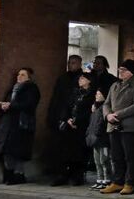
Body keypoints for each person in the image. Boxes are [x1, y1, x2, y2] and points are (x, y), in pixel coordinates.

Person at [100, 60, 134, 195]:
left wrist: (119, 114)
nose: (120, 72)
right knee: (116, 156)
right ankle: (117, 182)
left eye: (124, 70)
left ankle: (129, 183)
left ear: (131, 72)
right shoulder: (114, 85)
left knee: (130, 156)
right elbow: (106, 103)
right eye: (120, 69)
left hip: (130, 126)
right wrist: (108, 115)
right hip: (113, 125)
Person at [0, 67, 41, 185]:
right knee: (6, 149)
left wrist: (11, 105)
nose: (19, 77)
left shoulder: (32, 89)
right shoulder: (12, 89)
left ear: (28, 78)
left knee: (18, 150)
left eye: (22, 75)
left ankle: (18, 174)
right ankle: (9, 173)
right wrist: (4, 106)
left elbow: (29, 105)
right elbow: (9, 102)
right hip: (8, 122)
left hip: (22, 123)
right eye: (18, 74)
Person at [52, 69, 96, 187]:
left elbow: (90, 111)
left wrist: (79, 120)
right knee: (65, 151)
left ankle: (78, 175)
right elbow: (66, 107)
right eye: (79, 78)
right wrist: (67, 119)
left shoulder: (92, 95)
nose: (80, 80)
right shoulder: (74, 93)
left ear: (89, 81)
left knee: (80, 152)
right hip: (69, 126)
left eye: (83, 78)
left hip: (83, 127)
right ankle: (63, 175)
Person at [47, 55, 83, 185]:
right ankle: (61, 174)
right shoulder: (62, 78)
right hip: (61, 117)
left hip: (76, 119)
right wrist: (53, 116)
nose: (70, 65)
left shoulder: (83, 78)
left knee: (76, 149)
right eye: (69, 62)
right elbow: (56, 98)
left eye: (73, 63)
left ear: (79, 64)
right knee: (61, 149)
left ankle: (77, 175)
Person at [87, 81, 112, 190]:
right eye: (96, 94)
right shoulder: (95, 108)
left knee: (104, 160)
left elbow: (103, 124)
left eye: (99, 94)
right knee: (97, 160)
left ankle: (107, 180)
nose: (97, 96)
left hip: (103, 138)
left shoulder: (105, 108)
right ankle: (99, 179)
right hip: (94, 138)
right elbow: (91, 123)